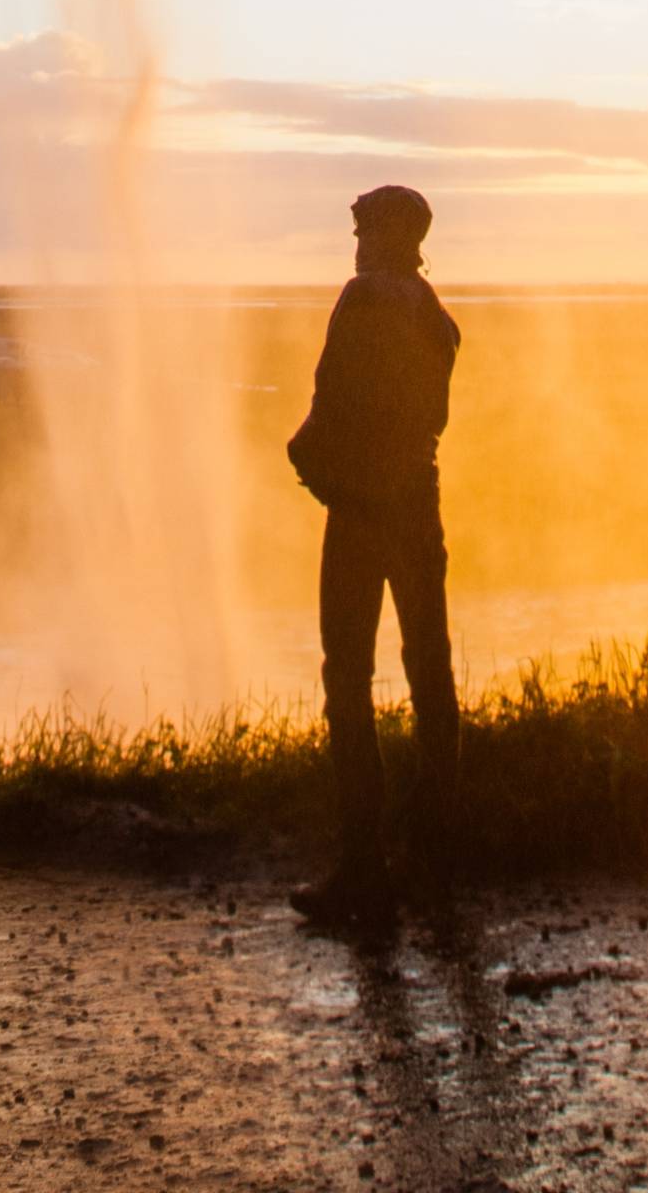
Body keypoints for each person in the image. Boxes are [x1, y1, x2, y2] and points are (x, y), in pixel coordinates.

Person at [283, 183, 464, 936]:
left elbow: (332, 404)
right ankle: (442, 860)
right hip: (418, 509)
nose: (355, 245)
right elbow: (435, 421)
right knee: (430, 674)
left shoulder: (361, 303)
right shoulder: (436, 319)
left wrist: (307, 459)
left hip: (360, 514)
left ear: (384, 237)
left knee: (348, 684)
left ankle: (365, 872)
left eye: (362, 233)